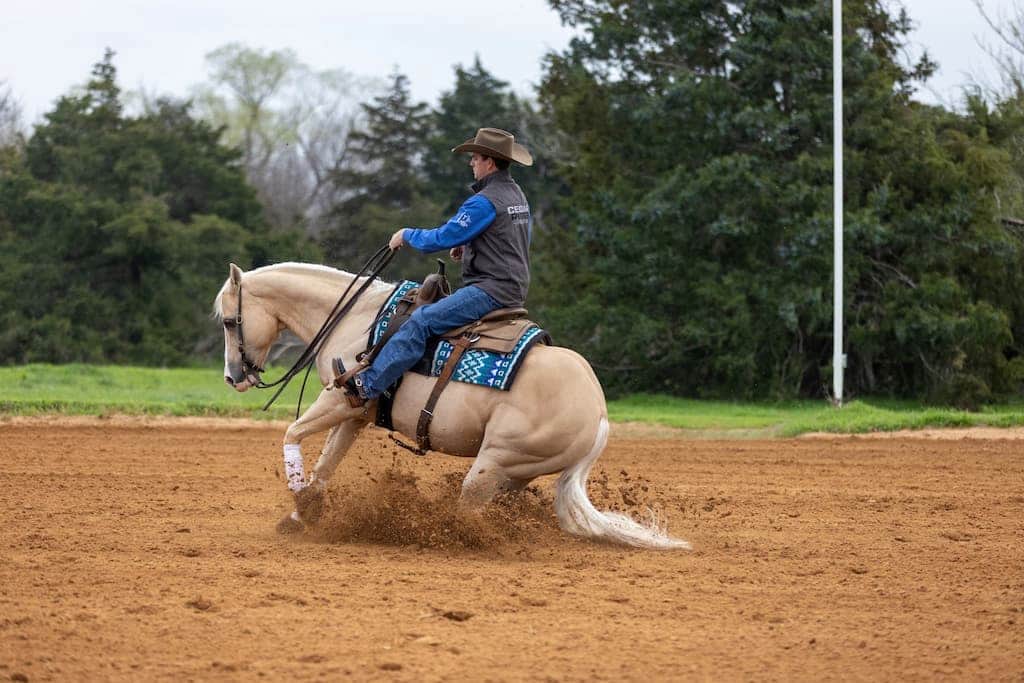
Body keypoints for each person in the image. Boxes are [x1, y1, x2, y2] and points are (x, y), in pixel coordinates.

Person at [343, 127, 534, 406]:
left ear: (489, 163)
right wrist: (470, 244)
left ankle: (367, 387)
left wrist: (407, 234)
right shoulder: (516, 195)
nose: (471, 163)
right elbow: (511, 239)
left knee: (422, 320)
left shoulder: (484, 202)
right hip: (512, 285)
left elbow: (442, 238)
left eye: (475, 158)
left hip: (490, 289)